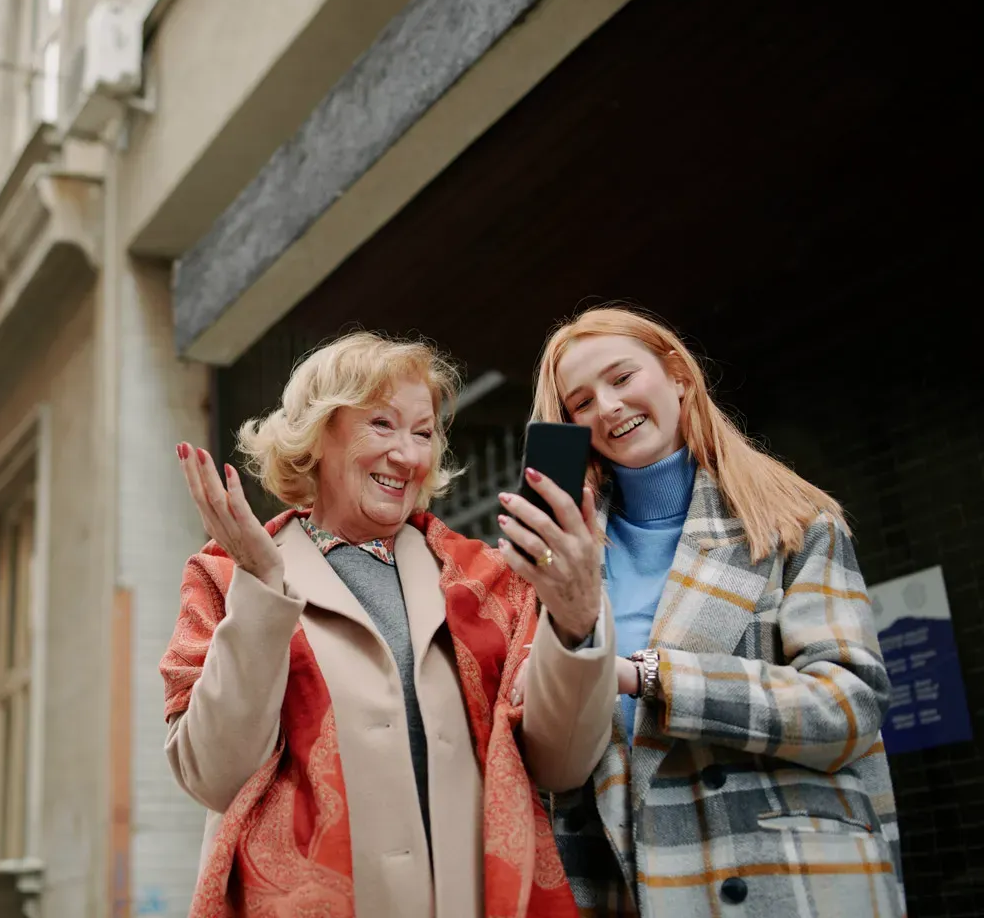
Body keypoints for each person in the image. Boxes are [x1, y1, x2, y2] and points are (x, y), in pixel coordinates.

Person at [159, 331, 616, 918]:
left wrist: (576, 620)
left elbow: (563, 763)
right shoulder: (224, 577)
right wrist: (261, 584)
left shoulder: (486, 578)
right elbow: (212, 776)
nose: (409, 455)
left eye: (422, 432)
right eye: (382, 425)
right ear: (319, 433)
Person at [512, 306, 903, 917]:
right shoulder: (566, 559)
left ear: (678, 376)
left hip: (785, 880)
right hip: (624, 885)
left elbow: (848, 707)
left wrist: (650, 676)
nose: (608, 407)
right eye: (581, 402)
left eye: (622, 378)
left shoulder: (794, 525)